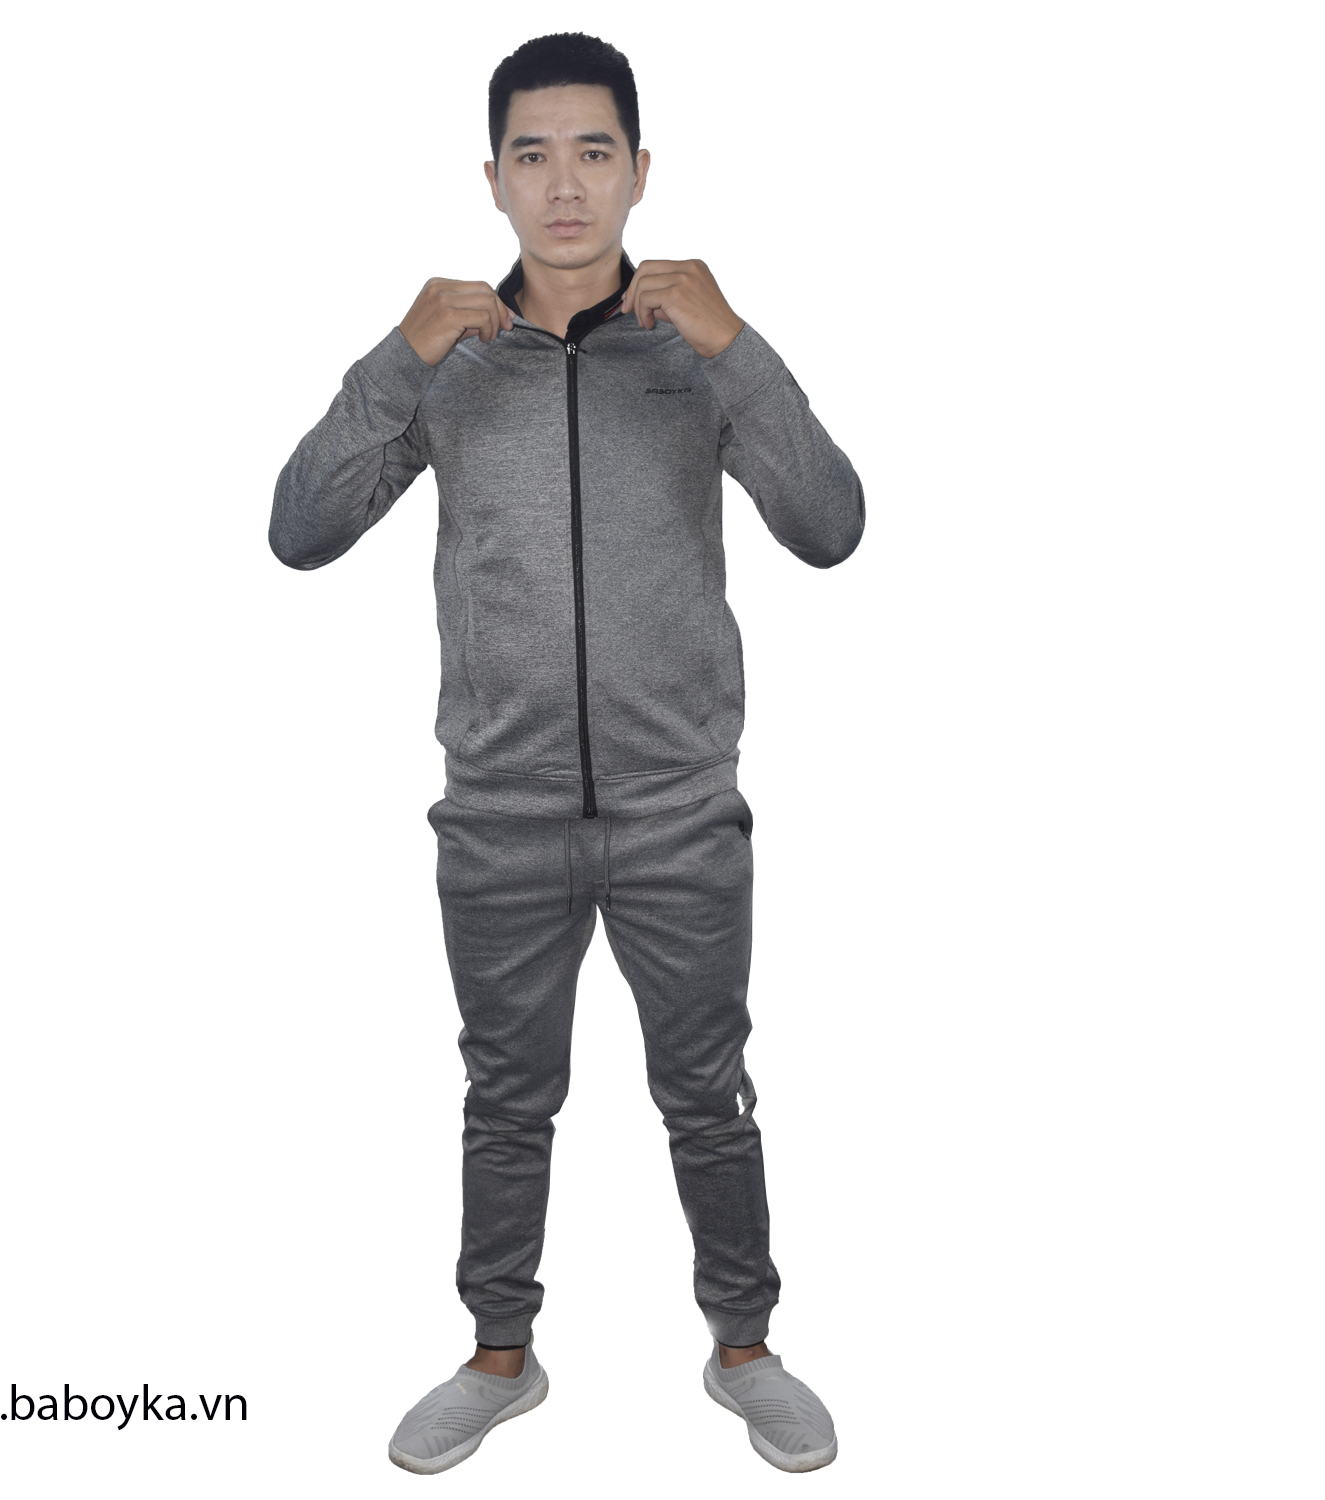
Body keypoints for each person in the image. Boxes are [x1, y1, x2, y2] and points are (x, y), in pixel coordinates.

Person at [269, 31, 864, 1476]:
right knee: (504, 1101)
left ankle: (744, 1348)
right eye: (531, 155)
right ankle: (500, 1354)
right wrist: (395, 359)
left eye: (594, 151)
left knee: (707, 1095)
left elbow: (831, 527)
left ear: (640, 170)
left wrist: (740, 346)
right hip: (499, 813)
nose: (565, 185)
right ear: (492, 178)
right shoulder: (449, 362)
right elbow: (299, 531)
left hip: (680, 812)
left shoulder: (696, 352)